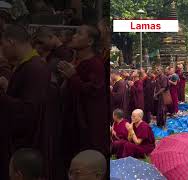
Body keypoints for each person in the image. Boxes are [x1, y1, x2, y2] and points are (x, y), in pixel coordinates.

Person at [0, 24, 51, 179]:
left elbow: (29, 112)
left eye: (2, 45)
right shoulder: (26, 65)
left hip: (26, 146)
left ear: (10, 42)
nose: (2, 50)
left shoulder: (35, 68)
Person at [58, 25, 108, 170]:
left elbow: (94, 92)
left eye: (79, 34)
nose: (74, 36)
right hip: (70, 119)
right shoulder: (76, 61)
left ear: (90, 41)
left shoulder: (95, 64)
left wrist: (73, 76)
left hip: (85, 124)